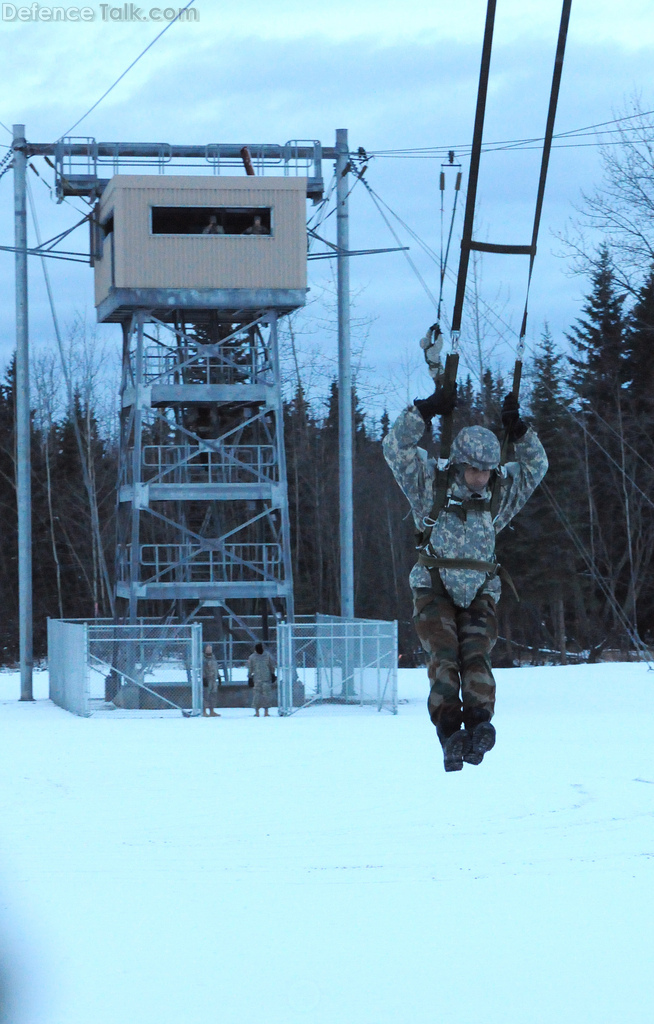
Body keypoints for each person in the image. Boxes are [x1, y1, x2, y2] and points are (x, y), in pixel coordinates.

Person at [383, 369, 548, 772]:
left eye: (488, 470)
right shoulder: (430, 485)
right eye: (475, 469)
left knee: (476, 656)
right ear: (458, 465)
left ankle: (479, 726)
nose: (481, 478)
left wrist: (521, 431)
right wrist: (424, 410)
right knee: (444, 657)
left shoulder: (498, 495)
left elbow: (535, 467)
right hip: (433, 589)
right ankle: (449, 733)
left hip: (479, 591)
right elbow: (394, 448)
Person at [247, 641, 276, 717]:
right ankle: (258, 712)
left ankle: (265, 712)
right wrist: (250, 677)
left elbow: (271, 665)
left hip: (264, 678)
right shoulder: (253, 657)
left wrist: (272, 674)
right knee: (258, 696)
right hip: (258, 679)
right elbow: (250, 668)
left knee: (265, 695)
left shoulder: (266, 656)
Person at [203, 643, 221, 717]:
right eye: (208, 648)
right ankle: (204, 711)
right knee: (206, 695)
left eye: (210, 648)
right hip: (207, 679)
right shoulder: (203, 658)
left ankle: (212, 711)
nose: (210, 649)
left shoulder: (213, 657)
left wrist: (219, 676)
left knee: (213, 695)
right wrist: (204, 678)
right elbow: (202, 669)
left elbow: (216, 667)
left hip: (214, 679)